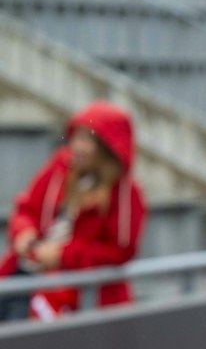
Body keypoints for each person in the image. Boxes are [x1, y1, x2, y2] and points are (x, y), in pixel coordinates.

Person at [1, 102, 145, 321]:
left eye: (87, 140)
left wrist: (63, 254)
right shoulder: (60, 168)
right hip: (28, 277)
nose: (77, 146)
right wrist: (24, 233)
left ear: (107, 146)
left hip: (77, 298)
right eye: (76, 137)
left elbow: (120, 251)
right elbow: (26, 208)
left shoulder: (125, 193)